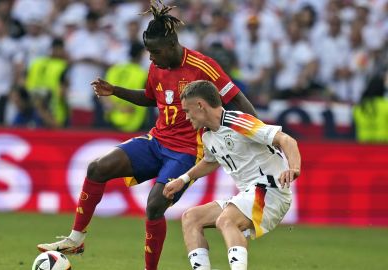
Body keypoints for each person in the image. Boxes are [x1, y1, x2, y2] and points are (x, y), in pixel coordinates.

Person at [37, 2, 256, 270]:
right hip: (157, 141)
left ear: (172, 44)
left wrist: (260, 134)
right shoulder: (157, 67)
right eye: (149, 52)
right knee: (97, 168)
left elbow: (238, 100)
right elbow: (151, 98)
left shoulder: (203, 66)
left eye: (155, 52)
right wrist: (115, 90)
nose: (151, 58)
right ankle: (76, 239)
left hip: (188, 151)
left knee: (154, 205)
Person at [162, 80, 301, 270]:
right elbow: (211, 161)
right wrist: (183, 180)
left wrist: (294, 168)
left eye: (187, 110)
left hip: (271, 191)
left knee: (226, 220)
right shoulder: (208, 135)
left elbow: (286, 140)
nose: (186, 117)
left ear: (200, 105)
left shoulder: (238, 122)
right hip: (249, 194)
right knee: (191, 218)